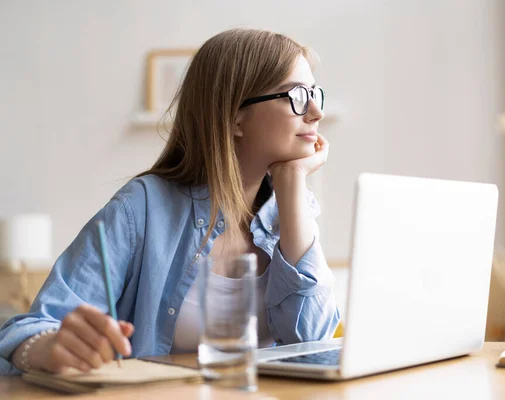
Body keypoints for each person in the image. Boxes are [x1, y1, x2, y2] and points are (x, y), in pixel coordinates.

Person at [0, 28, 340, 375]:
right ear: (235, 116)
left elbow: (314, 342)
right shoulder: (143, 208)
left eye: (315, 94)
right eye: (297, 95)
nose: (316, 112)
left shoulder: (293, 210)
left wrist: (293, 182)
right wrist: (50, 348)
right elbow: (29, 328)